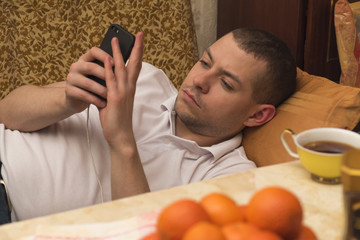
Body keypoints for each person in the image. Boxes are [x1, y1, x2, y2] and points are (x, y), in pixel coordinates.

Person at [0, 28, 296, 223]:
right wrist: (67, 101)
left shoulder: (230, 179)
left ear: (257, 116)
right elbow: (6, 112)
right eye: (205, 63)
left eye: (226, 83)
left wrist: (122, 140)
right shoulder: (144, 77)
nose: (199, 81)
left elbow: (141, 231)